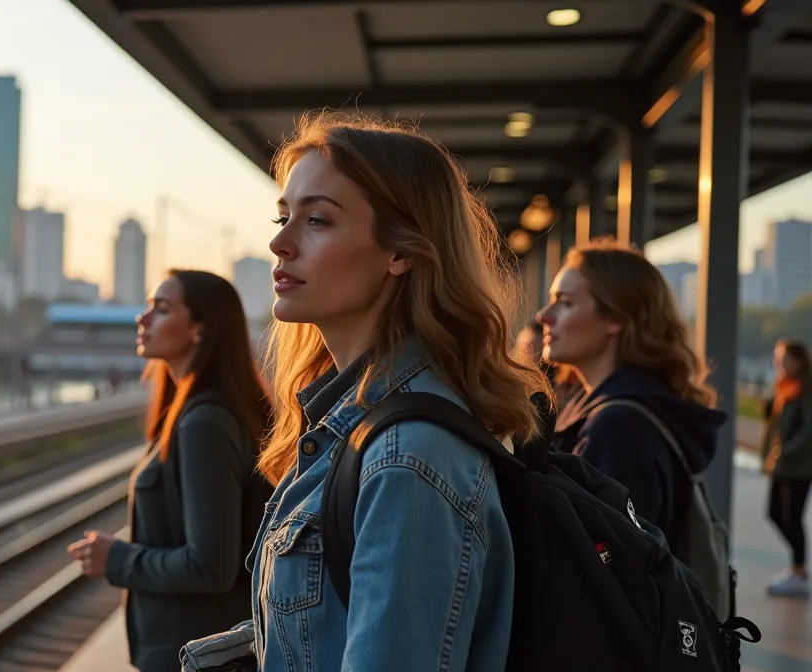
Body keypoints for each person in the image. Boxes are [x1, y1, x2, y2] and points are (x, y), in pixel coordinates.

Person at [186, 113, 550, 671]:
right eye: (284, 216)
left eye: (318, 221)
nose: (280, 243)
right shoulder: (351, 423)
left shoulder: (407, 459)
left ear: (400, 252)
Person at [67, 269, 273, 672]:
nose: (141, 319)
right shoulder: (197, 413)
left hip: (194, 654)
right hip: (198, 650)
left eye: (161, 309)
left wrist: (117, 559)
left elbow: (210, 565)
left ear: (199, 329)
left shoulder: (205, 423)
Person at [537, 240, 725, 551]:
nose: (544, 315)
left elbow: (604, 566)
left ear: (616, 318)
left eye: (566, 302)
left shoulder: (618, 428)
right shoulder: (619, 409)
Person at [761, 338, 812, 597]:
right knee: (774, 513)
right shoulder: (784, 387)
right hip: (780, 465)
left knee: (792, 518)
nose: (778, 363)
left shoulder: (806, 389)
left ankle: (799, 571)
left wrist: (788, 450)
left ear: (798, 361)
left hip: (799, 467)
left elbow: (808, 429)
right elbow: (773, 425)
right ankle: (797, 568)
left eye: (783, 358)